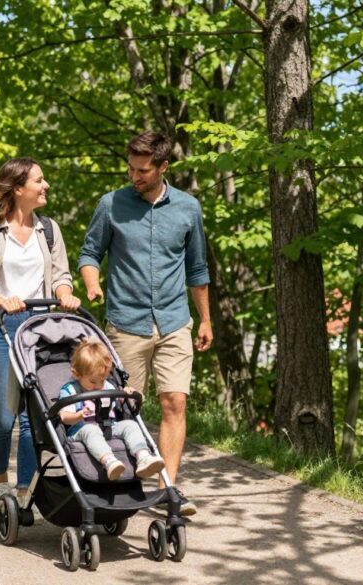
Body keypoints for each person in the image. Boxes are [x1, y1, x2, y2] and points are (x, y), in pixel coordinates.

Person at [78, 131, 212, 516]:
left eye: (142, 169)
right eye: (131, 168)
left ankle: (168, 486)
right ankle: (120, 483)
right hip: (126, 322)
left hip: (174, 321)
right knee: (123, 408)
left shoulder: (188, 208)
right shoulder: (111, 204)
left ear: (163, 167)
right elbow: (90, 252)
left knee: (174, 403)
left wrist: (205, 319)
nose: (134, 175)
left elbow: (197, 268)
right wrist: (92, 284)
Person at [0, 157, 81, 511]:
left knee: (35, 417)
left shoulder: (50, 229)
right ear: (18, 189)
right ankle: (0, 482)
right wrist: (1, 300)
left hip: (41, 331)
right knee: (3, 416)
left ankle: (25, 490)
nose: (46, 187)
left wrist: (64, 294)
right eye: (39, 181)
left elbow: (61, 275)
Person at [58, 340, 166, 481]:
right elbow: (64, 417)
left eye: (102, 380)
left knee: (131, 425)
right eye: (93, 382)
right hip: (81, 429)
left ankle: (143, 456)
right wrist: (79, 415)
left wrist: (126, 394)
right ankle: (109, 461)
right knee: (91, 430)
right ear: (76, 374)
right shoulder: (70, 390)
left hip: (109, 426)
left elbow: (120, 400)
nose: (98, 386)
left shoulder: (107, 386)